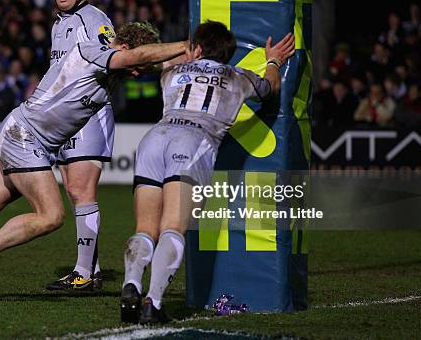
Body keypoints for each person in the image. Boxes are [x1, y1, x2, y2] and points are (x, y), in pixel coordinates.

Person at [0, 22, 187, 302]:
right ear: (126, 47)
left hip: (24, 135)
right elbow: (139, 59)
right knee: (51, 215)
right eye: (136, 67)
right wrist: (185, 44)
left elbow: (154, 61)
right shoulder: (94, 51)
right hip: (25, 136)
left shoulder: (117, 68)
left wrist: (201, 51)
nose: (136, 74)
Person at [119, 20, 295, 324]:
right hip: (194, 141)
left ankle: (131, 284)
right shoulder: (237, 76)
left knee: (145, 228)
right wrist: (274, 60)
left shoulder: (171, 70)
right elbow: (270, 88)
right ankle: (153, 302)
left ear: (197, 47)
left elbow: (143, 60)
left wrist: (182, 52)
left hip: (154, 138)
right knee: (173, 226)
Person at [44, 0, 117, 291]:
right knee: (75, 194)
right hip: (63, 117)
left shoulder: (94, 18)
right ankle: (92, 269)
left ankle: (84, 273)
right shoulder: (59, 25)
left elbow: (113, 56)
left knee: (81, 191)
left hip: (89, 111)